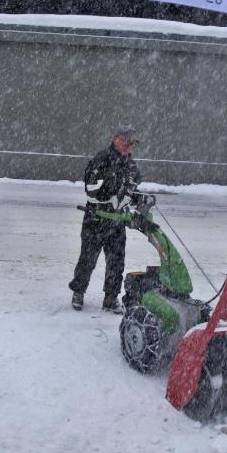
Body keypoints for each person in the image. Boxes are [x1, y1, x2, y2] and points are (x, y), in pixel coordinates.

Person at [68, 124, 142, 313]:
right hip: (96, 220)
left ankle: (110, 298)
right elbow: (91, 191)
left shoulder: (131, 166)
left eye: (132, 143)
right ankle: (78, 292)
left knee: (116, 262)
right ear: (116, 139)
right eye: (126, 141)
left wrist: (139, 198)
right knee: (87, 259)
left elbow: (133, 189)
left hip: (117, 223)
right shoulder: (100, 160)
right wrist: (112, 196)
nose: (129, 146)